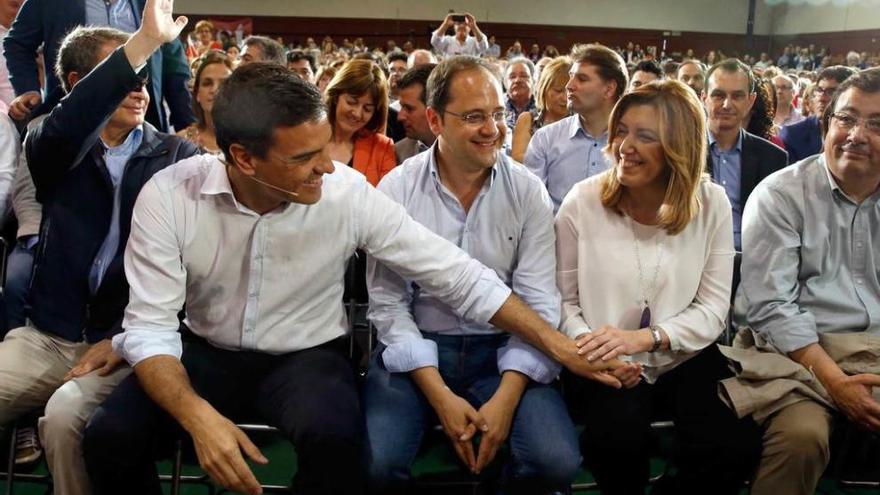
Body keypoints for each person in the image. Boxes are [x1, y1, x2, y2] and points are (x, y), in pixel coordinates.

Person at [80, 45, 629, 495]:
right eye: (304, 159)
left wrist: (558, 347)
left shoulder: (346, 192)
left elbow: (456, 273)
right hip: (202, 352)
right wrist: (198, 418)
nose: (328, 166)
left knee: (338, 440)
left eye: (325, 149)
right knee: (109, 437)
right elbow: (151, 328)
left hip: (304, 358)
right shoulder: (171, 194)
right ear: (244, 159)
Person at [0, 10, 199, 494]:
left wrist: (124, 339)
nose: (138, 88)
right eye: (123, 76)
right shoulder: (50, 142)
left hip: (124, 343)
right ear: (77, 85)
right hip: (47, 335)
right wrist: (144, 41)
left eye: (142, 77)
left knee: (65, 418)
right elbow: (69, 124)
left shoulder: (177, 157)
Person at [365, 55, 581, 495]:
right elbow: (389, 305)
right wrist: (439, 393)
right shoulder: (397, 189)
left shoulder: (526, 190)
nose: (493, 129)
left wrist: (507, 396)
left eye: (499, 114)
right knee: (378, 463)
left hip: (504, 352)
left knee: (554, 461)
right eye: (474, 117)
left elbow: (539, 303)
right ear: (434, 119)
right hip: (419, 350)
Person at [556, 79, 762, 494]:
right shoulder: (583, 201)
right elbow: (562, 302)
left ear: (679, 148)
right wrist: (596, 350)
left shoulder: (712, 203)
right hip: (601, 360)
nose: (624, 146)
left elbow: (711, 309)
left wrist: (645, 339)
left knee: (733, 441)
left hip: (680, 354)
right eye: (622, 131)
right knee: (616, 440)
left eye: (645, 136)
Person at [731, 67, 880, 495]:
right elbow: (772, 308)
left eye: (875, 124)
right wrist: (838, 384)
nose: (857, 135)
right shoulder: (781, 195)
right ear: (826, 124)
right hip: (801, 357)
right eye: (847, 119)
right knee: (801, 439)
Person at [3, 0, 194, 132]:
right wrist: (27, 89)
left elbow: (173, 67)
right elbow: (17, 44)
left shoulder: (150, 2)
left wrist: (185, 124)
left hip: (142, 120)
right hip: (72, 119)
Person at [524, 43, 627, 212]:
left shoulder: (631, 145)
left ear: (609, 89)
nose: (569, 86)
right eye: (571, 76)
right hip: (555, 236)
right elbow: (531, 208)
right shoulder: (546, 138)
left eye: (582, 79)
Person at [702, 59, 787, 252]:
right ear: (704, 98)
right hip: (696, 261)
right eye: (718, 95)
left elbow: (777, 227)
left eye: (737, 96)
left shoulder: (773, 158)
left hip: (752, 264)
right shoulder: (680, 151)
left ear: (751, 101)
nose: (726, 104)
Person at [324, 59, 396, 186]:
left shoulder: (382, 147)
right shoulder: (306, 135)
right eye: (351, 102)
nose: (357, 113)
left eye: (367, 109)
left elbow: (386, 200)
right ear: (335, 96)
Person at [779, 65, 857, 163]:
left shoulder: (864, 136)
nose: (821, 98)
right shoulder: (793, 135)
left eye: (831, 92)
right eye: (819, 90)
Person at [511, 56, 570, 162]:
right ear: (544, 89)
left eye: (570, 91)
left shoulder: (581, 121)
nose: (565, 98)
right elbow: (518, 160)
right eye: (558, 91)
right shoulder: (527, 120)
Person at [177, 50, 232, 154]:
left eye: (224, 84)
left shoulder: (249, 141)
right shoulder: (182, 140)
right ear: (197, 95)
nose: (215, 89)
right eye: (207, 83)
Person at [393, 63, 437, 164]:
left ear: (435, 109)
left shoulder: (469, 151)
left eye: (409, 108)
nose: (400, 117)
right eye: (401, 107)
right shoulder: (399, 153)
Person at [503, 57, 535, 131]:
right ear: (505, 83)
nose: (517, 80)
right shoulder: (496, 107)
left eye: (523, 76)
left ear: (533, 80)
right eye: (512, 77)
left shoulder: (544, 107)